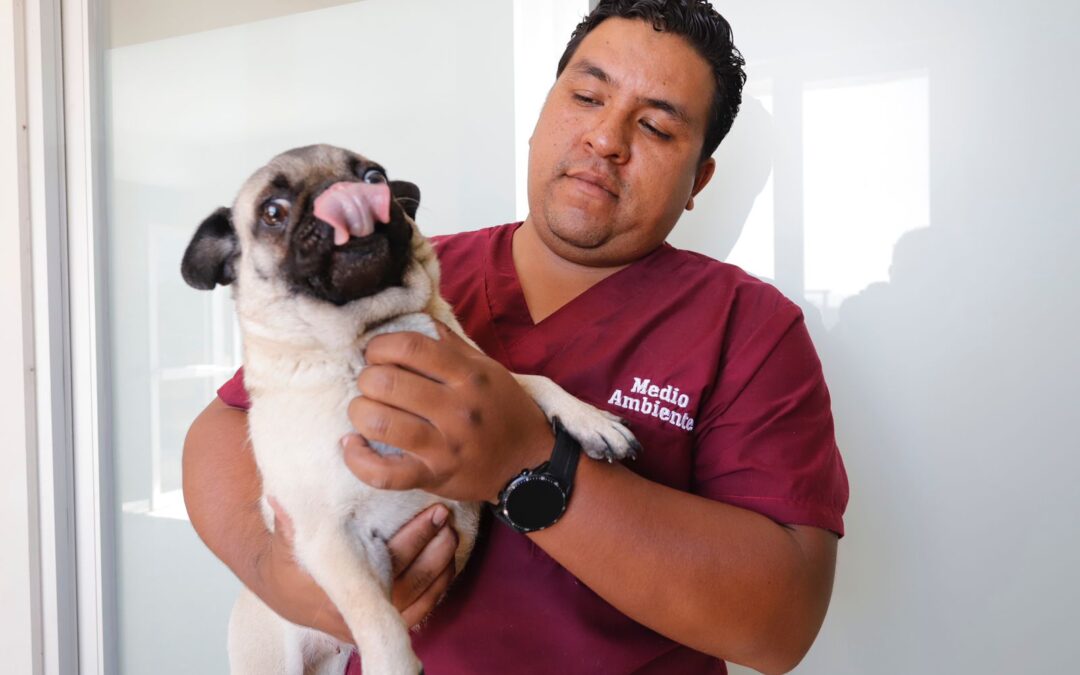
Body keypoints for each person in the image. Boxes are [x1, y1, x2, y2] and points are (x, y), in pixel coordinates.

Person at [183, 1, 849, 673]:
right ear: (540, 116)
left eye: (654, 126)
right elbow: (221, 430)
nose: (605, 137)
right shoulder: (400, 272)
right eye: (586, 96)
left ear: (698, 179)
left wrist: (527, 462)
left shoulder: (750, 328)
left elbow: (780, 622)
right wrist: (283, 576)